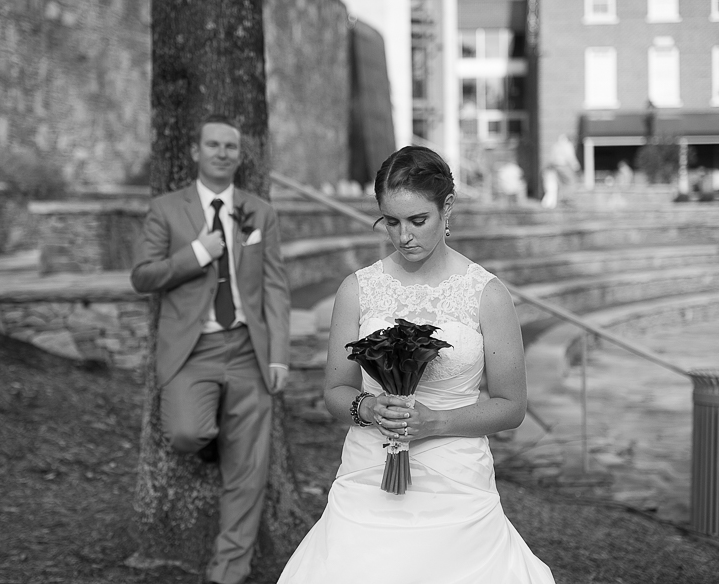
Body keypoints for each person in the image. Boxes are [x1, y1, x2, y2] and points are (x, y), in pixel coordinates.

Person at [277, 146, 555, 583]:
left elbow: (511, 406)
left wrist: (435, 423)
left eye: (417, 220)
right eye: (391, 221)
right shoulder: (358, 289)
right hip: (368, 472)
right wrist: (367, 409)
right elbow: (335, 391)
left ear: (447, 209)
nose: (403, 235)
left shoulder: (488, 294)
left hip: (456, 480)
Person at [130, 114, 290, 584]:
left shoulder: (260, 212)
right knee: (184, 432)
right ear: (196, 152)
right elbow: (142, 276)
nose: (223, 152)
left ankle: (228, 570)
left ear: (240, 156)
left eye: (231, 147)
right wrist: (198, 253)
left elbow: (277, 288)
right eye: (213, 144)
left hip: (248, 349)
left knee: (249, 470)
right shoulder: (165, 209)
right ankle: (218, 435)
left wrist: (278, 353)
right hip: (191, 349)